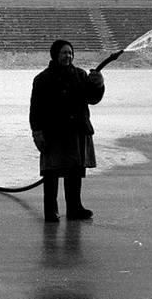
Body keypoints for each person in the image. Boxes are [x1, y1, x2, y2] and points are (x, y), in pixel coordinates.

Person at [29, 40, 105, 222]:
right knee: (51, 173)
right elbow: (36, 109)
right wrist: (37, 133)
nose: (68, 56)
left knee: (75, 172)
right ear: (55, 55)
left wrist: (98, 84)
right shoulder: (42, 79)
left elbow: (92, 99)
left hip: (77, 131)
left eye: (70, 53)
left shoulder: (80, 75)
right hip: (53, 133)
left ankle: (75, 208)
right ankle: (51, 211)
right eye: (64, 53)